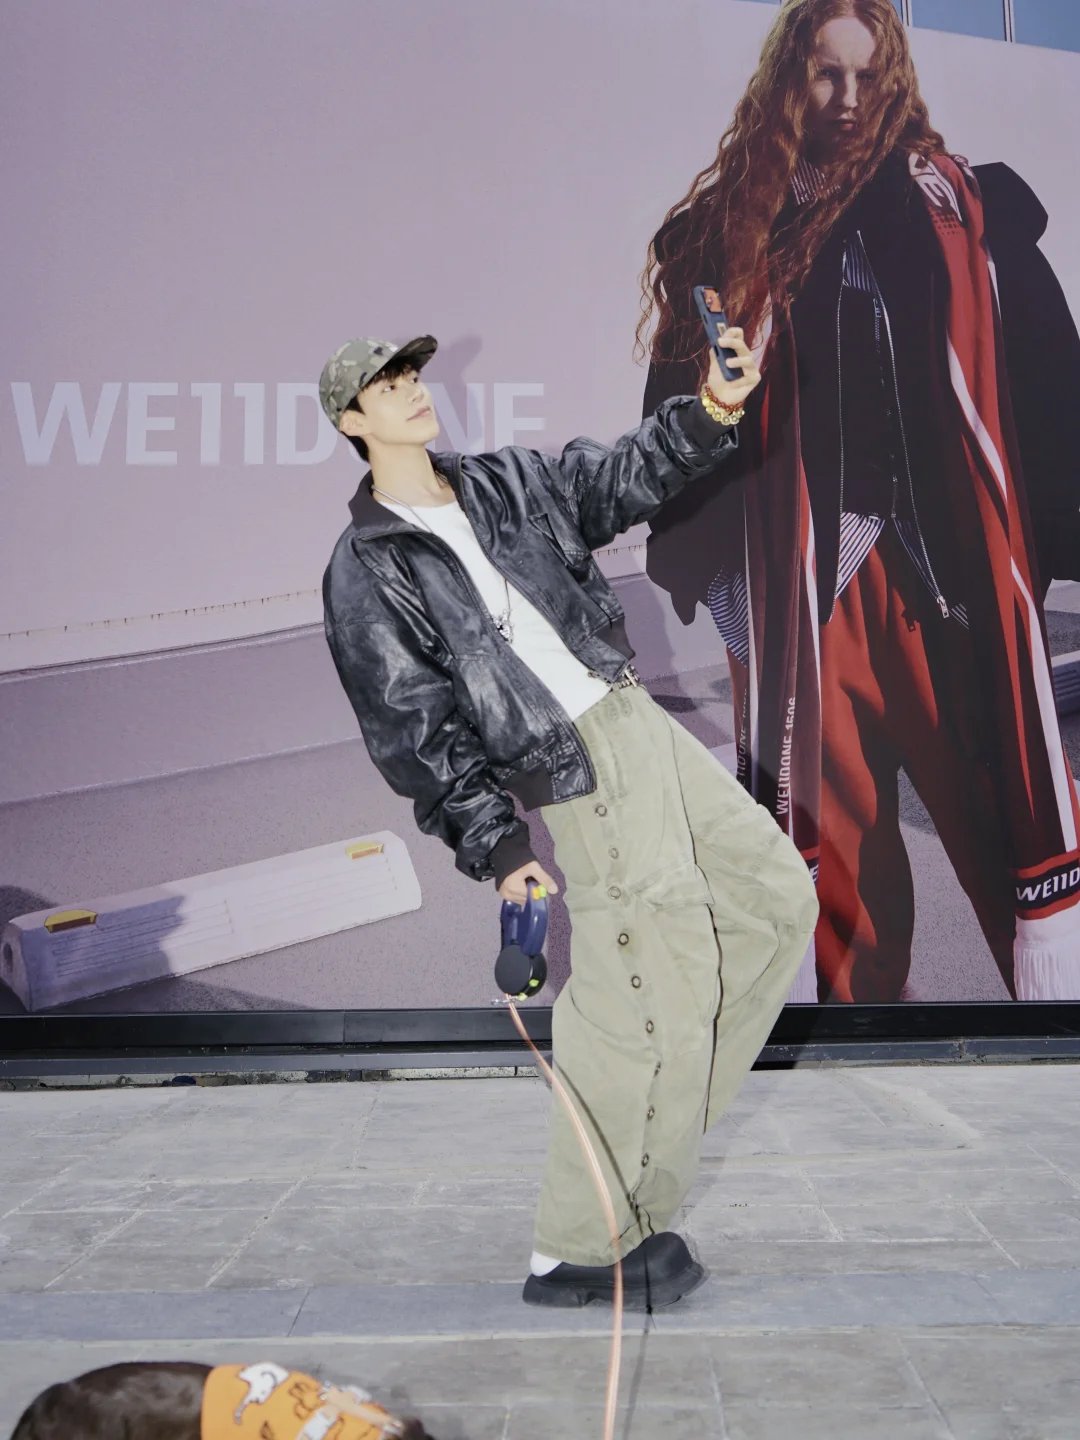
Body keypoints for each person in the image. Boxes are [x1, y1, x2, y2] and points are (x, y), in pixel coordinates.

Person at [318, 330, 818, 1307]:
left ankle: (642, 1181)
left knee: (772, 901)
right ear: (351, 421)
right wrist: (499, 845)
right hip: (573, 764)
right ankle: (579, 1244)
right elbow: (412, 725)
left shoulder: (505, 483)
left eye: (413, 374)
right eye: (386, 385)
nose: (412, 391)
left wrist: (714, 409)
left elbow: (623, 475)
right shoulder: (364, 569)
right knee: (634, 999)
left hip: (634, 718)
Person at [640, 0, 1080, 1004]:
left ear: (895, 82)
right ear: (787, 80)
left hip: (946, 582)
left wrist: (1055, 529)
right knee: (838, 873)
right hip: (802, 596)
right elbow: (679, 399)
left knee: (1006, 819)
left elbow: (1048, 374)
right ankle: (858, 1064)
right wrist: (695, 549)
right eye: (825, 74)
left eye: (867, 75)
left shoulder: (962, 207)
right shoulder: (726, 234)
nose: (846, 98)